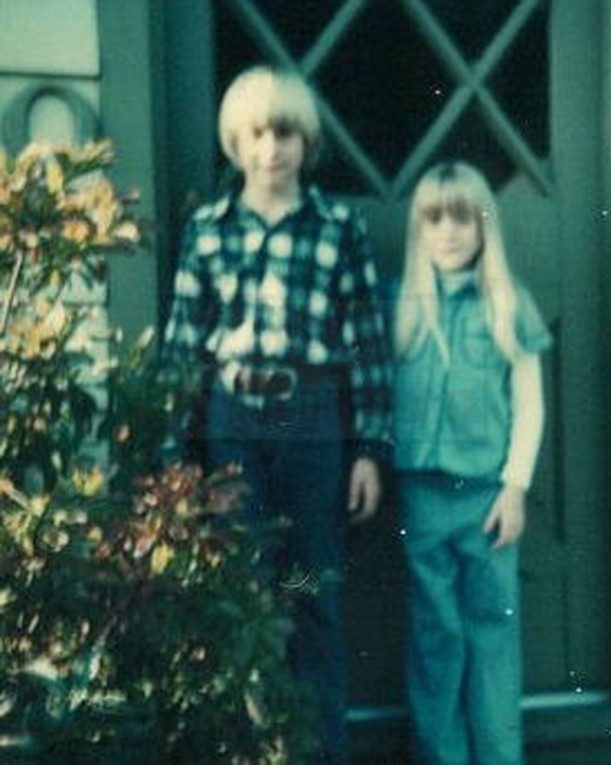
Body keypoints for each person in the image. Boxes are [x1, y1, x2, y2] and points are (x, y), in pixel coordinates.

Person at [161, 65, 392, 764]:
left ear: (306, 141)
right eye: (258, 133)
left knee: (311, 595)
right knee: (245, 598)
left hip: (312, 426)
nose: (273, 149)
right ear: (237, 142)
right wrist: (173, 454)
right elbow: (180, 347)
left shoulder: (337, 228)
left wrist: (368, 449)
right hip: (232, 426)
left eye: (287, 132)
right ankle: (254, 750)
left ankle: (320, 754)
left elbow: (367, 346)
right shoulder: (208, 231)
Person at [393, 161, 552, 765]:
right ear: (419, 230)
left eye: (462, 217)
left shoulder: (508, 304)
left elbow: (530, 405)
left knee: (492, 633)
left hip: (488, 498)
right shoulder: (402, 306)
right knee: (437, 636)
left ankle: (499, 756)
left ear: (484, 225)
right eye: (434, 219)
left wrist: (515, 489)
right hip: (423, 500)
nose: (449, 232)